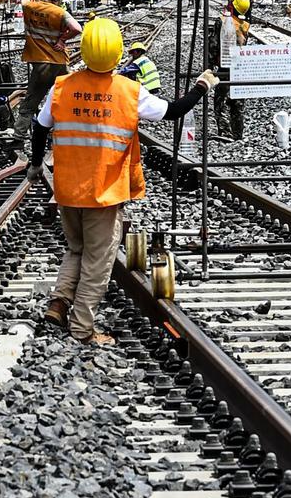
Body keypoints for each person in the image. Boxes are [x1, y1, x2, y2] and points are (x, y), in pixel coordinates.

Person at [37, 18, 217, 342]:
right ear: (119, 53)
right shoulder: (129, 92)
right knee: (97, 260)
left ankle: (59, 303)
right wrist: (201, 86)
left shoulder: (62, 87)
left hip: (66, 190)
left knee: (76, 249)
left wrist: (36, 165)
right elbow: (174, 111)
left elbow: (39, 126)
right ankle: (81, 328)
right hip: (103, 194)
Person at [21, 0, 80, 175]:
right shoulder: (59, 13)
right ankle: (69, 135)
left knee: (29, 103)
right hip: (59, 62)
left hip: (40, 64)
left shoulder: (31, 7)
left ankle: (18, 138)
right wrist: (62, 40)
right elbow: (77, 28)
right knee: (66, 100)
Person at [214, 0, 255, 144]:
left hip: (225, 67)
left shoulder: (222, 21)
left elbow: (213, 45)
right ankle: (238, 134)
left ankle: (225, 133)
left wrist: (211, 66)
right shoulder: (245, 25)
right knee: (237, 102)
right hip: (240, 68)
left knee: (221, 101)